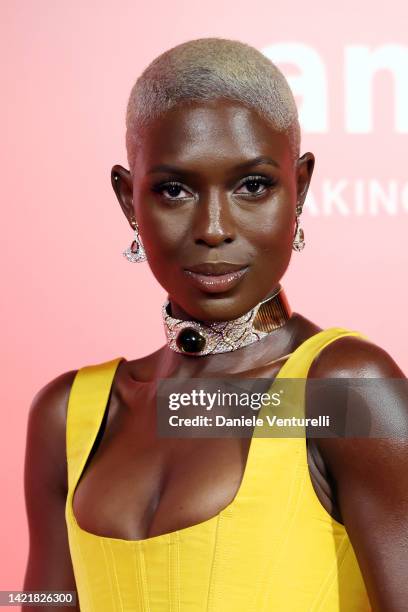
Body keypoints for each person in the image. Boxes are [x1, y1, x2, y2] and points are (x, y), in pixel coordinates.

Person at [23, 37, 408, 611]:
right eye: (174, 190)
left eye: (253, 185)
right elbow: (47, 601)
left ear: (299, 188)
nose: (213, 228)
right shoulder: (68, 414)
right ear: (130, 201)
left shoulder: (342, 392)